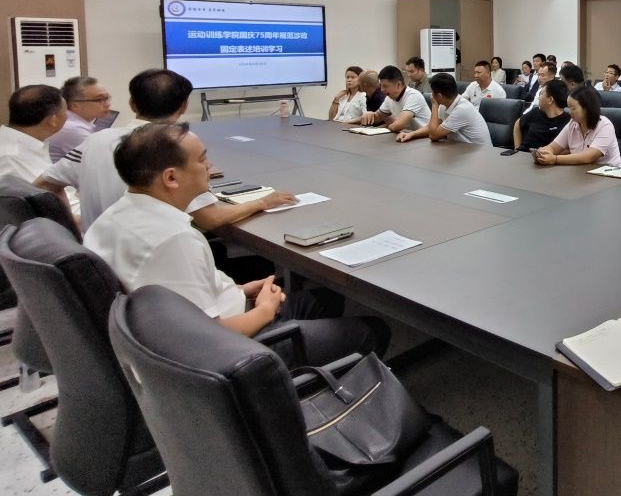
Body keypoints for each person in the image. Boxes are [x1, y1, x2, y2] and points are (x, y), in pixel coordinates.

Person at [86, 122, 386, 365]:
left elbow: (182, 298)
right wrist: (265, 310)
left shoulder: (114, 217)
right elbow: (205, 338)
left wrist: (240, 290)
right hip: (235, 350)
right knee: (372, 330)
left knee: (326, 298)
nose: (209, 166)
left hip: (221, 311)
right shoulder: (174, 240)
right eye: (202, 159)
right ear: (171, 178)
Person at [39, 68, 297, 232]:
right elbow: (210, 219)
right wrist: (263, 202)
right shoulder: (174, 148)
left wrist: (72, 226)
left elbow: (44, 185)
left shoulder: (95, 140)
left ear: (132, 103)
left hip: (99, 255)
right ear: (183, 107)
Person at [534, 85, 621, 168]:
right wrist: (543, 153)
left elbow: (589, 157)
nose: (570, 112)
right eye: (569, 108)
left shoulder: (605, 125)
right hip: (582, 173)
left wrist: (555, 159)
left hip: (610, 174)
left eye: (573, 108)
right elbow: (553, 147)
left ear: (587, 108)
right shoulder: (572, 124)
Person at [400, 71, 492, 145]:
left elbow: (433, 135)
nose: (431, 95)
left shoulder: (462, 109)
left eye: (432, 92)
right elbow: (431, 128)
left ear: (439, 96)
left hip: (480, 154)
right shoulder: (444, 104)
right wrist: (411, 134)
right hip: (462, 149)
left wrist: (434, 106)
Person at [1, 84, 66, 185]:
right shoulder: (10, 158)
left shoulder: (32, 142)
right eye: (66, 112)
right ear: (53, 120)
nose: (67, 117)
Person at [46, 76, 112, 161]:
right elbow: (102, 161)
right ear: (75, 105)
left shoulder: (72, 122)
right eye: (99, 99)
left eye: (107, 98)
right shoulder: (73, 129)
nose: (107, 104)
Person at [359, 64, 430, 131]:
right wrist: (370, 115)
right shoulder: (389, 97)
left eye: (385, 86)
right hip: (405, 135)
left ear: (398, 84)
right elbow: (379, 116)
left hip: (423, 137)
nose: (382, 90)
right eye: (381, 86)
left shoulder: (413, 96)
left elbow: (399, 125)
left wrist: (389, 125)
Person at [513, 79, 570, 150]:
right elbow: (518, 124)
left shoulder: (568, 121)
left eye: (541, 94)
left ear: (550, 100)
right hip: (523, 153)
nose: (538, 98)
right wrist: (517, 148)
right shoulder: (535, 112)